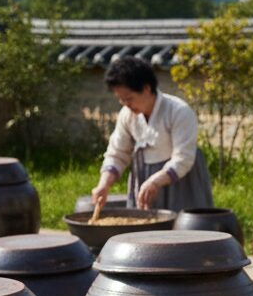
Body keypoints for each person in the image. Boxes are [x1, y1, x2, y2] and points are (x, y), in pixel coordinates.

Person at [90, 56, 213, 213]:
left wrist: (156, 181)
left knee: (183, 225)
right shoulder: (127, 115)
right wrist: (104, 184)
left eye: (129, 98)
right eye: (121, 100)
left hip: (180, 179)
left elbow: (183, 158)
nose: (126, 104)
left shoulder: (178, 111)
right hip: (144, 178)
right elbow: (117, 153)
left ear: (147, 89)